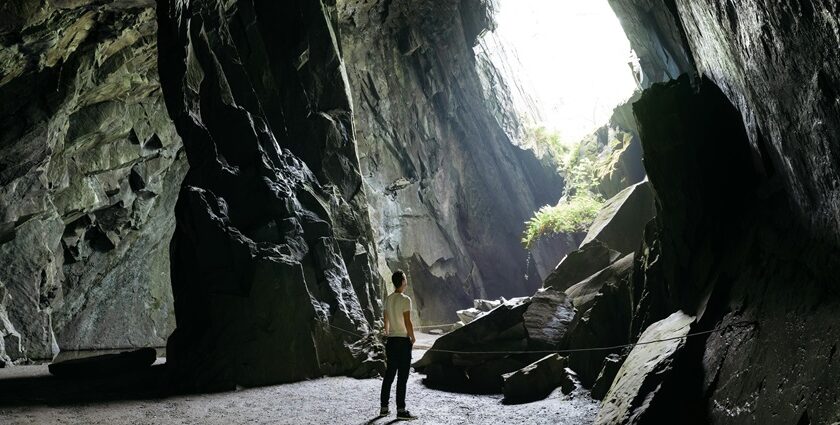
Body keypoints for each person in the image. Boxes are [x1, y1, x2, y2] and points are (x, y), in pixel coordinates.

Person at [379, 270, 418, 420]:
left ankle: (383, 408)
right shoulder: (405, 299)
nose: (406, 281)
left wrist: (387, 333)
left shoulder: (388, 299)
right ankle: (401, 410)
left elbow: (386, 322)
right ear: (402, 281)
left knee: (389, 375)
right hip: (402, 341)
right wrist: (412, 337)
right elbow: (408, 321)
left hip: (391, 340)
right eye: (405, 279)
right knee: (402, 377)